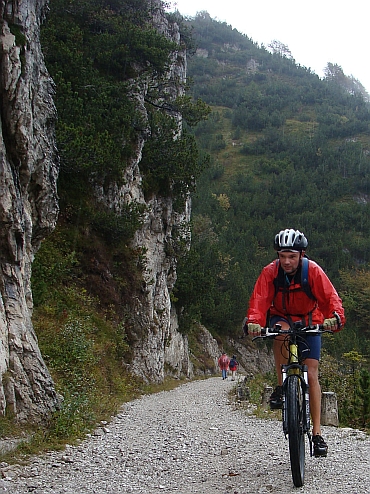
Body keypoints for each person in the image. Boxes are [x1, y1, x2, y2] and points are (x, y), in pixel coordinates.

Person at [244, 228, 345, 457]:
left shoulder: (313, 271)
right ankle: (281, 387)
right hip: (282, 317)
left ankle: (317, 434)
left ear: (302, 254)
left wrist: (335, 318)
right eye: (282, 256)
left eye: (292, 256)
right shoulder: (270, 273)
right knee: (280, 333)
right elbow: (259, 301)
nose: (286, 261)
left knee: (312, 374)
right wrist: (253, 322)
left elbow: (331, 298)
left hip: (311, 320)